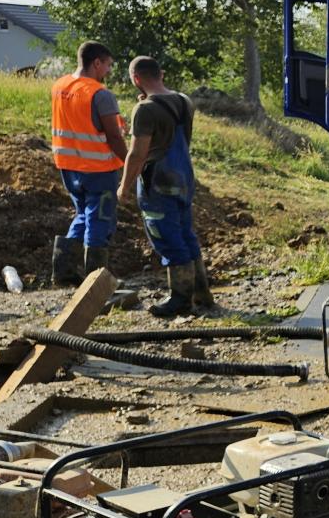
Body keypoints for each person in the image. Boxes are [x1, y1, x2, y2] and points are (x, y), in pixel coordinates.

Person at [117, 56, 213, 316]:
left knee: (167, 238)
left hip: (158, 181)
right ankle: (201, 295)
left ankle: (180, 300)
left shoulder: (145, 109)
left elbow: (137, 154)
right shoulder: (184, 101)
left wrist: (124, 187)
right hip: (183, 176)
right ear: (161, 74)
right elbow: (171, 130)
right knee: (185, 234)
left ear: (136, 79)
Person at [50, 41, 128, 285]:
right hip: (98, 168)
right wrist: (130, 161)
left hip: (68, 165)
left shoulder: (60, 85)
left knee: (83, 214)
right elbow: (113, 136)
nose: (108, 71)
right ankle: (96, 282)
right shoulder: (100, 94)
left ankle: (63, 272)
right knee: (99, 219)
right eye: (107, 65)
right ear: (96, 63)